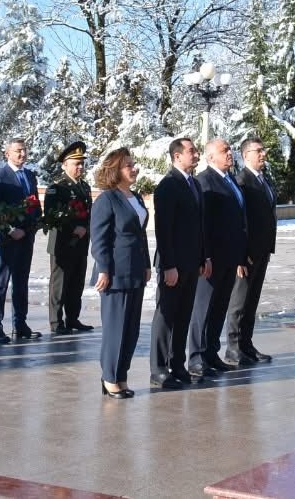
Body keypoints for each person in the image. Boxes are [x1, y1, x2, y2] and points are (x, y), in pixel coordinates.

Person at [90, 147, 150, 398]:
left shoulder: (135, 197)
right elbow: (99, 239)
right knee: (116, 328)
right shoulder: (107, 199)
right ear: (116, 170)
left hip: (136, 270)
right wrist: (103, 269)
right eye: (128, 165)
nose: (134, 169)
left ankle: (121, 375)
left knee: (131, 329)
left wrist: (147, 265)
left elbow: (141, 235)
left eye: (134, 164)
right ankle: (109, 377)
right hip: (115, 272)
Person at [150, 136, 206, 389]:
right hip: (173, 264)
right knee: (166, 317)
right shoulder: (168, 185)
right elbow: (164, 230)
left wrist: (203, 257)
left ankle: (178, 364)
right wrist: (168, 266)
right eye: (191, 151)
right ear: (177, 156)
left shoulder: (194, 184)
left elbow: (200, 226)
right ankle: (159, 369)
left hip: (192, 263)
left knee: (184, 315)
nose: (196, 154)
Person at [188, 138, 248, 378]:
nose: (230, 153)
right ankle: (196, 358)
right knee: (203, 309)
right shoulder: (205, 181)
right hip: (212, 259)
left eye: (230, 149)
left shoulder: (230, 179)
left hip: (230, 257)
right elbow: (203, 224)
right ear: (210, 157)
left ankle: (211, 353)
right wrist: (206, 256)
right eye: (224, 151)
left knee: (219, 308)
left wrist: (240, 255)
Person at [225, 137, 277, 365]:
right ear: (246, 155)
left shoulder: (263, 179)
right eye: (258, 150)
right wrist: (240, 253)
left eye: (263, 150)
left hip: (262, 251)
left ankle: (246, 344)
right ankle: (233, 348)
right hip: (247, 254)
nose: (263, 154)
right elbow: (239, 222)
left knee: (252, 301)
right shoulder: (242, 182)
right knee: (239, 302)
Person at [0, 138, 42, 344]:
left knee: (21, 281)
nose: (22, 154)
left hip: (26, 236)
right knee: (0, 282)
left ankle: (20, 324)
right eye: (18, 150)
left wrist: (36, 222)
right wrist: (10, 229)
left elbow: (34, 203)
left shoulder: (29, 175)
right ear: (7, 154)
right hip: (7, 238)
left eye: (24, 150)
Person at [44, 140, 94, 335]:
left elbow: (89, 213)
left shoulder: (85, 187)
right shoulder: (57, 187)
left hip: (81, 244)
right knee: (60, 284)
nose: (80, 167)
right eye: (76, 163)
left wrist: (85, 228)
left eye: (82, 163)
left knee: (76, 283)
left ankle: (72, 318)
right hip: (63, 244)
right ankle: (56, 322)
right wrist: (74, 228)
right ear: (65, 165)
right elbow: (51, 216)